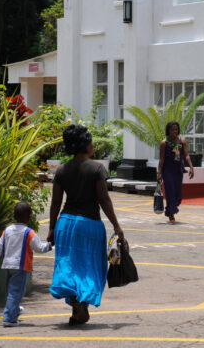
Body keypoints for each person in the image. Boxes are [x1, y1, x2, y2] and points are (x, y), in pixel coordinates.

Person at [47, 124, 124, 325]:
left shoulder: (62, 169)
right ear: (85, 145)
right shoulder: (97, 168)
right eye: (90, 142)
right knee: (89, 267)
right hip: (89, 225)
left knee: (69, 266)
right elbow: (104, 200)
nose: (92, 145)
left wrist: (51, 228)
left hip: (65, 224)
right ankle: (81, 305)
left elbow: (56, 202)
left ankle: (76, 308)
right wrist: (116, 225)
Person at [0, 202, 52, 327]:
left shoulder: (7, 230)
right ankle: (9, 318)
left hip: (8, 265)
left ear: (14, 216)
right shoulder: (29, 232)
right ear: (29, 217)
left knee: (11, 291)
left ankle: (14, 311)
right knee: (16, 292)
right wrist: (49, 245)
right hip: (20, 267)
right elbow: (39, 248)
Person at [157, 121, 194, 224]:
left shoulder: (182, 142)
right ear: (168, 131)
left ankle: (170, 209)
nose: (175, 131)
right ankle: (171, 215)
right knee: (170, 192)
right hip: (167, 170)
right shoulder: (164, 143)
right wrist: (159, 173)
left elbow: (186, 155)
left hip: (178, 170)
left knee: (178, 195)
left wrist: (191, 167)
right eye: (172, 129)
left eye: (176, 129)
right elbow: (161, 159)